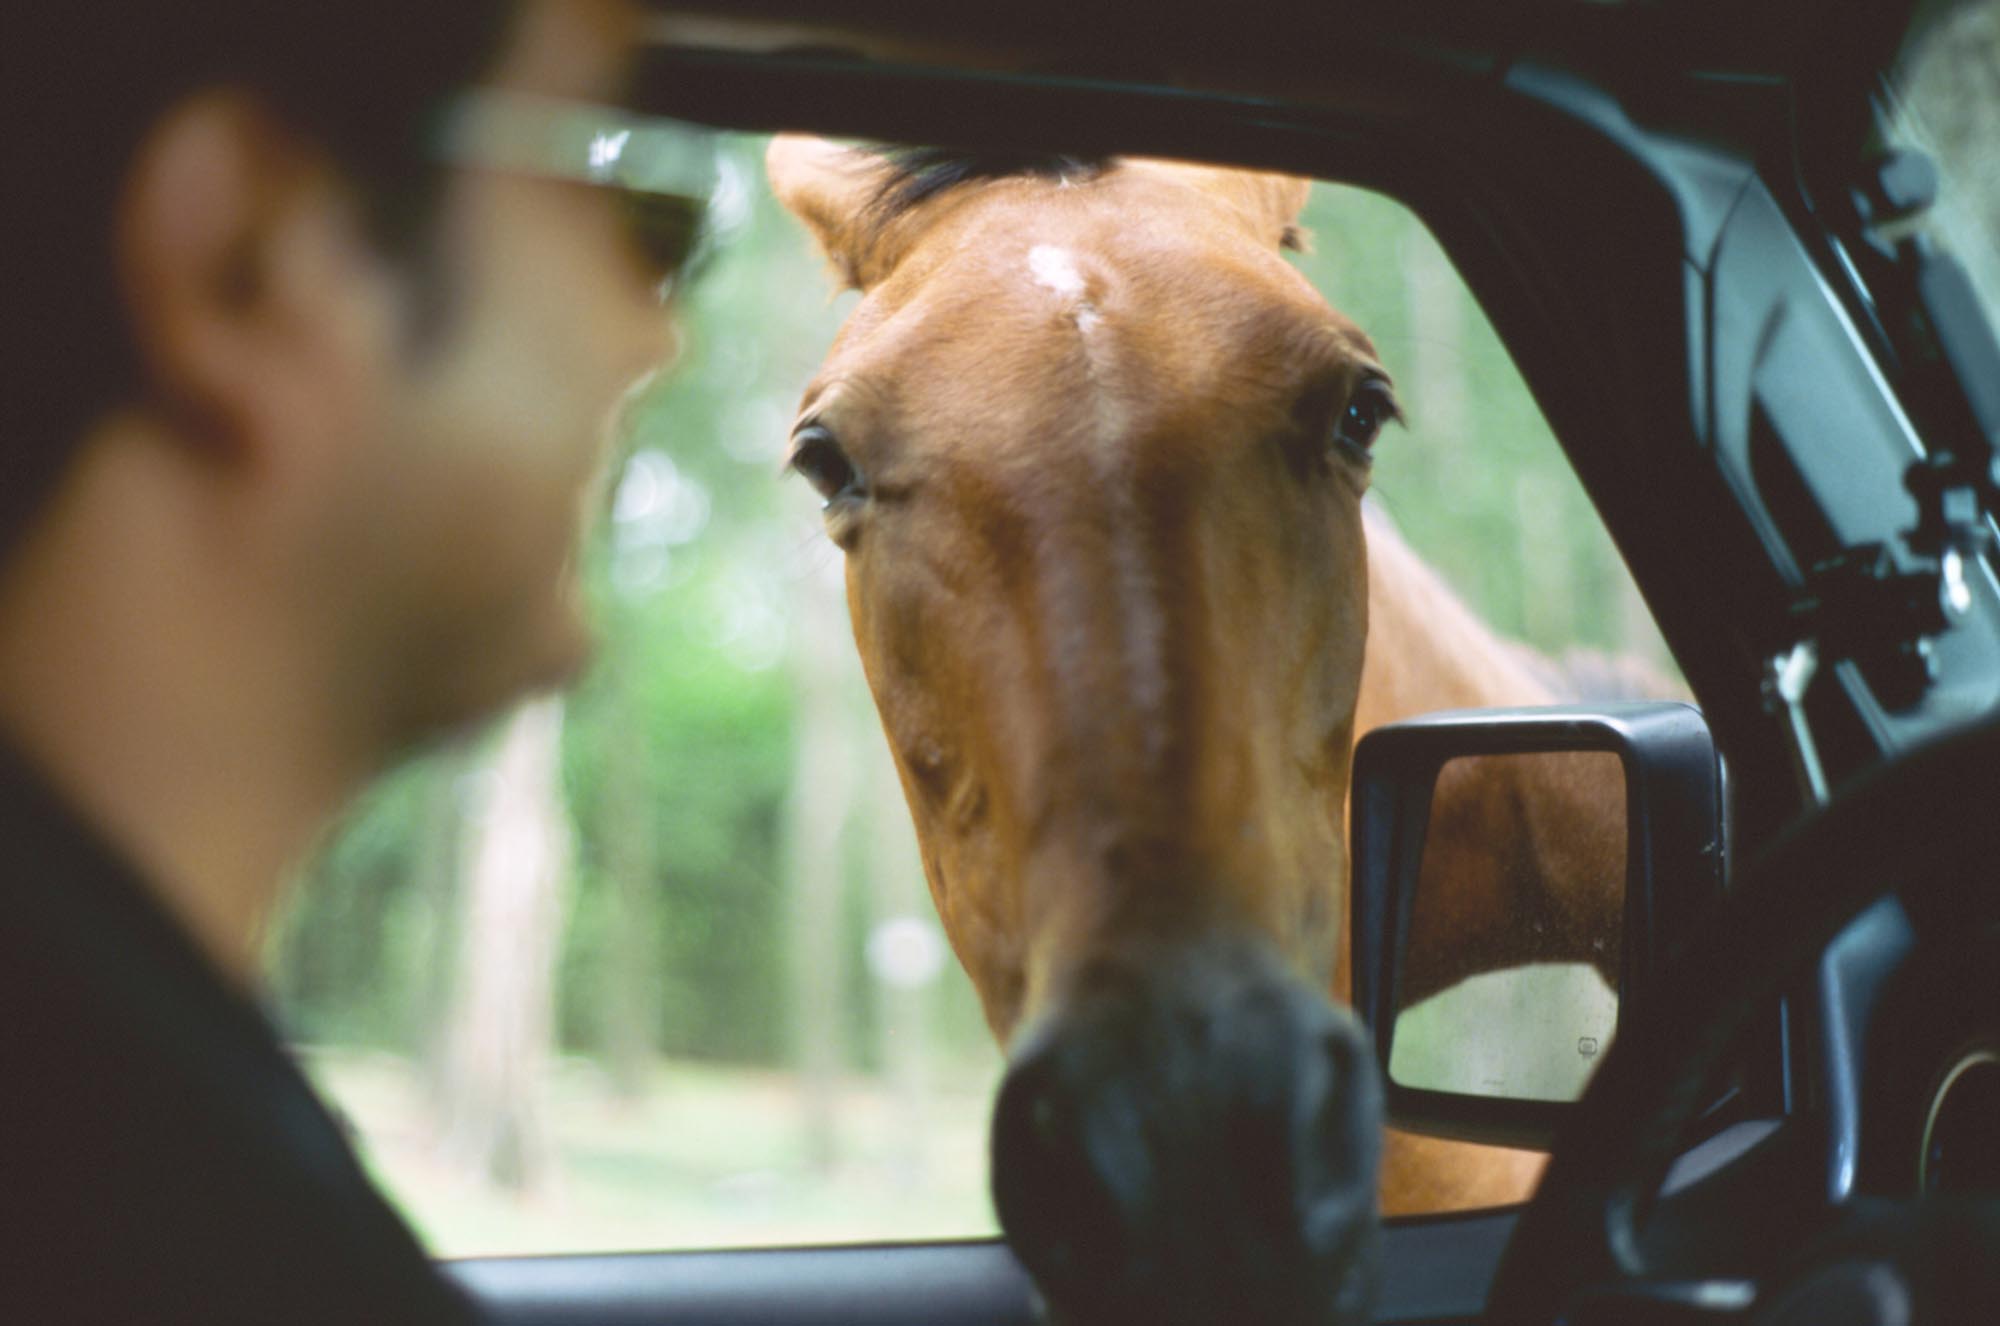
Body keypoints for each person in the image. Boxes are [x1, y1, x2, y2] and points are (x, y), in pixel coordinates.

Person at [1, 0, 705, 1318]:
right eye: (591, 173)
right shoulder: (153, 1228)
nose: (656, 329)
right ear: (244, 263)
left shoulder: (136, 1100)